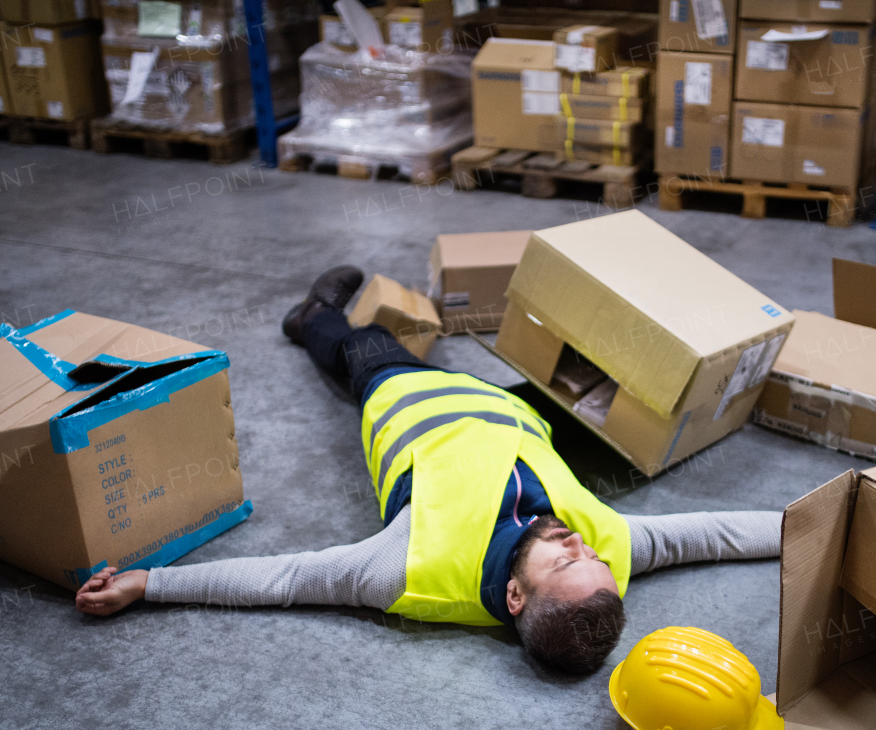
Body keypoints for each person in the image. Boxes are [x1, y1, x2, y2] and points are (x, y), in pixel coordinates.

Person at [77, 267, 783, 673]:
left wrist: (148, 582)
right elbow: (718, 534)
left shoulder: (406, 568)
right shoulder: (606, 554)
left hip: (409, 401)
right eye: (594, 555)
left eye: (568, 562)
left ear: (513, 597)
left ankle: (313, 316)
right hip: (506, 413)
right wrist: (825, 521)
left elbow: (286, 577)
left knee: (367, 346)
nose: (581, 542)